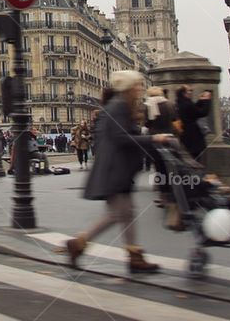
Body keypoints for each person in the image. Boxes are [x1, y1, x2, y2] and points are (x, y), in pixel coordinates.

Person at [62, 72, 173, 273]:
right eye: (138, 85)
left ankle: (132, 256)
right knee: (118, 214)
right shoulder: (119, 106)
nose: (141, 88)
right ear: (129, 87)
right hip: (115, 169)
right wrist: (154, 140)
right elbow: (122, 138)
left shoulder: (119, 105)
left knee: (124, 213)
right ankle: (80, 244)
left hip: (117, 168)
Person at [177, 86, 212, 161]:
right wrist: (207, 100)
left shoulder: (182, 102)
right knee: (196, 156)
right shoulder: (186, 104)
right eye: (189, 90)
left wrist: (200, 100)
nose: (191, 92)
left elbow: (193, 109)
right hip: (192, 135)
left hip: (185, 134)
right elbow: (202, 112)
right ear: (184, 93)